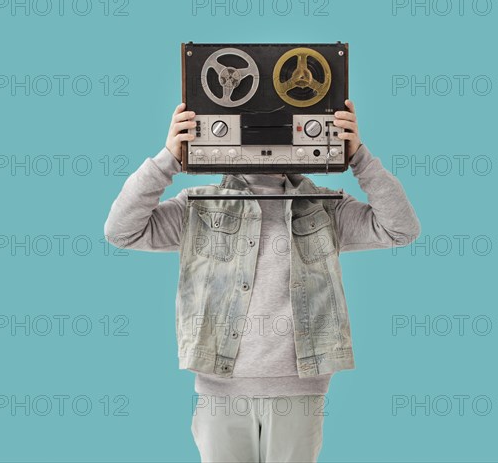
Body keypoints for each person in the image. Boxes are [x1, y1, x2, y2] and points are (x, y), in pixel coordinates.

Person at [104, 98, 421, 463]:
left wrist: (359, 158)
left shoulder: (326, 205)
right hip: (221, 391)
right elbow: (121, 231)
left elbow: (401, 229)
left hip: (299, 392)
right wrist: (169, 159)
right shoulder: (199, 205)